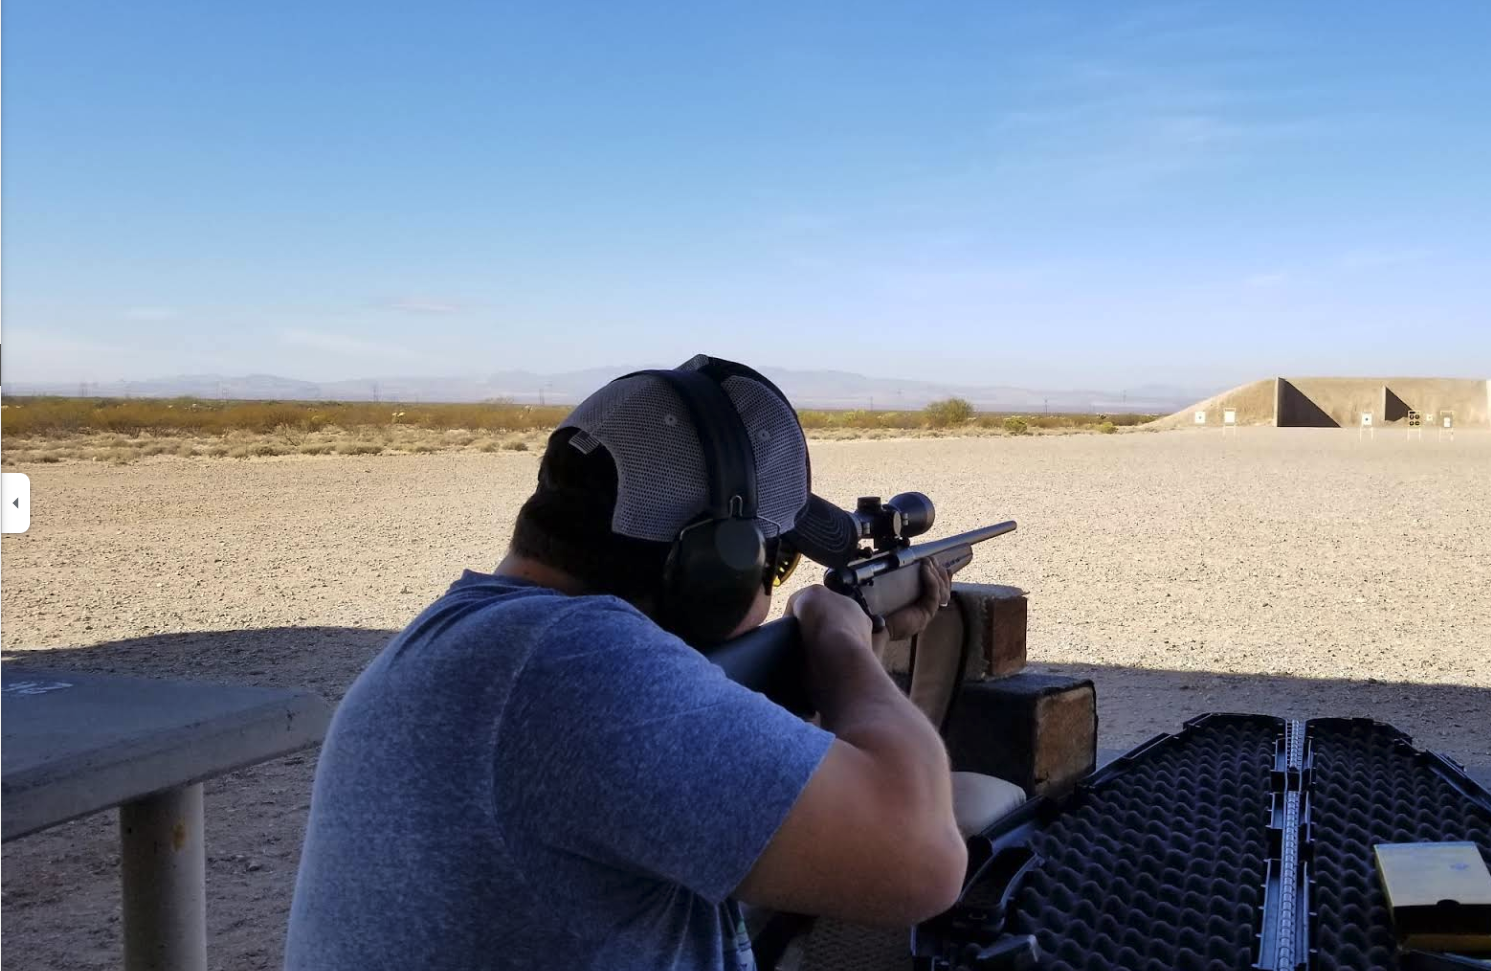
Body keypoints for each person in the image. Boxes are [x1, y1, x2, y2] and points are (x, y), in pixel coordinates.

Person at [284, 355, 965, 971]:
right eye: (775, 563)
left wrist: (863, 635)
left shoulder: (484, 638)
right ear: (713, 569)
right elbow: (922, 864)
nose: (776, 588)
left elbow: (789, 791)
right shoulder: (576, 667)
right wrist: (839, 638)